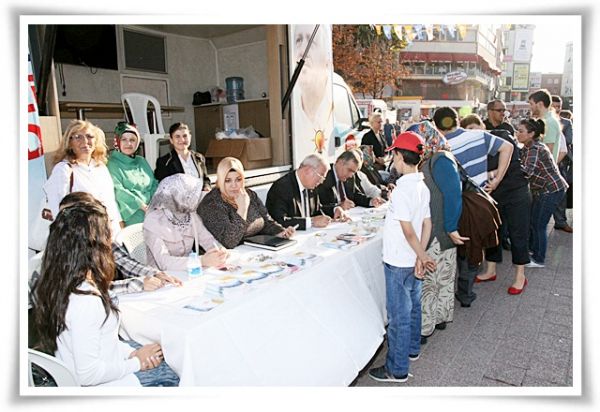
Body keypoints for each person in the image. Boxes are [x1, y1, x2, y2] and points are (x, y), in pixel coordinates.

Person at [32, 200, 179, 386]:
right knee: (178, 370)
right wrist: (137, 362)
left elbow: (102, 343)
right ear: (94, 246)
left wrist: (132, 354)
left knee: (159, 352)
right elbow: (88, 375)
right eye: (107, 235)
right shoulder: (85, 301)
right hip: (108, 384)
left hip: (97, 365)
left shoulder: (58, 284)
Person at [368, 131, 436, 383]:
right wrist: (420, 256)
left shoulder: (401, 191)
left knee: (399, 317)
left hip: (398, 260)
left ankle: (396, 369)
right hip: (411, 258)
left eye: (393, 155)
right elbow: (427, 224)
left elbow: (408, 231)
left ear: (398, 156)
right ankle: (412, 350)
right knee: (414, 308)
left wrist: (422, 256)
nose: (392, 160)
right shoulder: (421, 186)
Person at [432, 106, 513, 308]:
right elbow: (507, 147)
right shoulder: (478, 135)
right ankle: (466, 292)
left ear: (437, 126)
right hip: (478, 201)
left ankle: (447, 290)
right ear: (457, 120)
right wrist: (497, 180)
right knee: (473, 246)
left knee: (451, 245)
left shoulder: (440, 146)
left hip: (451, 202)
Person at [406, 121, 466, 342]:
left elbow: (454, 194)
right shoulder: (434, 158)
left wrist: (451, 226)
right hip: (436, 229)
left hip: (438, 231)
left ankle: (424, 328)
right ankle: (438, 318)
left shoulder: (440, 159)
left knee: (431, 281)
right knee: (440, 277)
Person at [475, 128, 532, 295]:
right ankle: (490, 270)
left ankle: (520, 276)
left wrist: (492, 174)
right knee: (493, 231)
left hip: (517, 192)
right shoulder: (473, 145)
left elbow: (509, 162)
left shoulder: (501, 137)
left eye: (474, 128)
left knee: (518, 233)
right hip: (495, 193)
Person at [43, 119, 122, 238]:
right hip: (80, 237)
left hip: (107, 234)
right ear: (69, 143)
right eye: (78, 137)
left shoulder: (101, 167)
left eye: (90, 136)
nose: (85, 141)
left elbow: (111, 202)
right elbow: (56, 208)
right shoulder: (63, 169)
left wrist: (118, 228)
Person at [198, 157, 295, 249]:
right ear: (220, 181)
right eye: (227, 181)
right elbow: (229, 241)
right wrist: (242, 209)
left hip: (256, 250)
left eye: (238, 179)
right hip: (226, 256)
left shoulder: (249, 194)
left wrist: (281, 232)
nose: (234, 185)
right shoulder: (212, 203)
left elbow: (266, 221)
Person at [144, 174, 228, 271]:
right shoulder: (153, 221)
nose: (195, 198)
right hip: (161, 276)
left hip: (189, 271)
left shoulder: (190, 216)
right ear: (176, 197)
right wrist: (201, 261)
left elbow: (208, 240)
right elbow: (164, 263)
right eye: (190, 194)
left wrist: (220, 251)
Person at [516, 119, 568, 269]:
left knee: (539, 224)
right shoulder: (529, 147)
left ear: (531, 134)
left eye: (521, 131)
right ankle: (534, 251)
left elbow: (527, 171)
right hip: (545, 190)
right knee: (535, 221)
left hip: (551, 190)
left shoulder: (534, 149)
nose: (517, 134)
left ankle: (539, 259)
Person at [107, 122, 158, 227]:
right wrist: (140, 205)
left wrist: (154, 203)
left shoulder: (141, 161)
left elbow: (153, 183)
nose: (128, 144)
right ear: (118, 141)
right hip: (130, 215)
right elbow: (118, 189)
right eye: (124, 140)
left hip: (151, 212)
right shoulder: (112, 163)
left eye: (132, 140)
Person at [265, 153, 335, 230]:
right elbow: (278, 221)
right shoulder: (281, 187)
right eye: (321, 176)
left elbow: (317, 210)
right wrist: (311, 222)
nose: (321, 181)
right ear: (308, 170)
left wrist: (334, 210)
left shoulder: (312, 186)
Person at [317, 150, 385, 215]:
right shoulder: (324, 176)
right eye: (349, 170)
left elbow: (355, 195)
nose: (350, 175)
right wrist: (338, 206)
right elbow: (319, 207)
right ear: (340, 162)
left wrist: (370, 201)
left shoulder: (350, 176)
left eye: (353, 172)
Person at [154, 122, 211, 189]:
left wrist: (206, 187)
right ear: (171, 140)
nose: (182, 140)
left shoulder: (199, 158)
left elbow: (205, 180)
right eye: (177, 136)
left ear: (190, 137)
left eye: (185, 136)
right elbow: (162, 187)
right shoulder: (164, 162)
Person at [551, 95, 573, 233]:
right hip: (545, 161)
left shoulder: (566, 122)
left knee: (561, 193)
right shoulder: (543, 120)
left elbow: (569, 140)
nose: (557, 109)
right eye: (554, 106)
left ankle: (560, 221)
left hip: (561, 162)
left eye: (559, 106)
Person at [529, 89, 561, 162]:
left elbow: (548, 150)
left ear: (540, 104)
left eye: (531, 104)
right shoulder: (544, 121)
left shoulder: (550, 122)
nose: (530, 107)